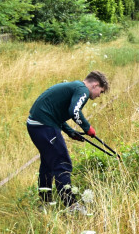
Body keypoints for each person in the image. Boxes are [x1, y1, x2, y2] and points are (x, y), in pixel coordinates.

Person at [26, 71, 109, 213]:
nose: (99, 96)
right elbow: (74, 111)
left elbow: (57, 113)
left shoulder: (75, 86)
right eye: (100, 91)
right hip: (44, 125)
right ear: (95, 85)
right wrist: (87, 128)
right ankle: (71, 205)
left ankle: (45, 202)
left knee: (48, 163)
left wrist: (70, 131)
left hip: (36, 124)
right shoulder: (82, 90)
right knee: (62, 163)